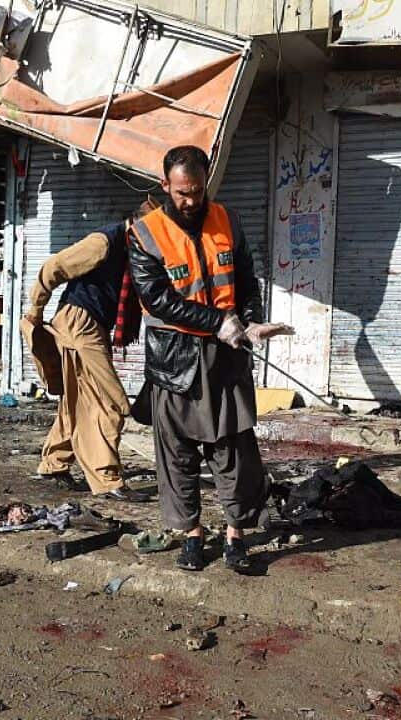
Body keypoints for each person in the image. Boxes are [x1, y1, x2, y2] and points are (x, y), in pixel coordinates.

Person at [129, 146, 293, 572]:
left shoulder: (228, 220)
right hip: (174, 362)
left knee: (234, 452)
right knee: (177, 455)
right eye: (182, 192)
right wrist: (217, 321)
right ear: (165, 185)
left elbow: (245, 280)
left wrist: (252, 322)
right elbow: (157, 299)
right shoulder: (144, 233)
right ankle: (192, 536)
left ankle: (236, 535)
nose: (190, 201)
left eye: (197, 191)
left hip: (226, 358)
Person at [23, 199, 160, 503]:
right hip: (79, 322)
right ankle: (107, 479)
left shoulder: (134, 251)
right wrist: (35, 311)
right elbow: (54, 267)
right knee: (109, 401)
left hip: (92, 325)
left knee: (79, 400)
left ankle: (53, 464)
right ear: (137, 226)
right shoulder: (104, 243)